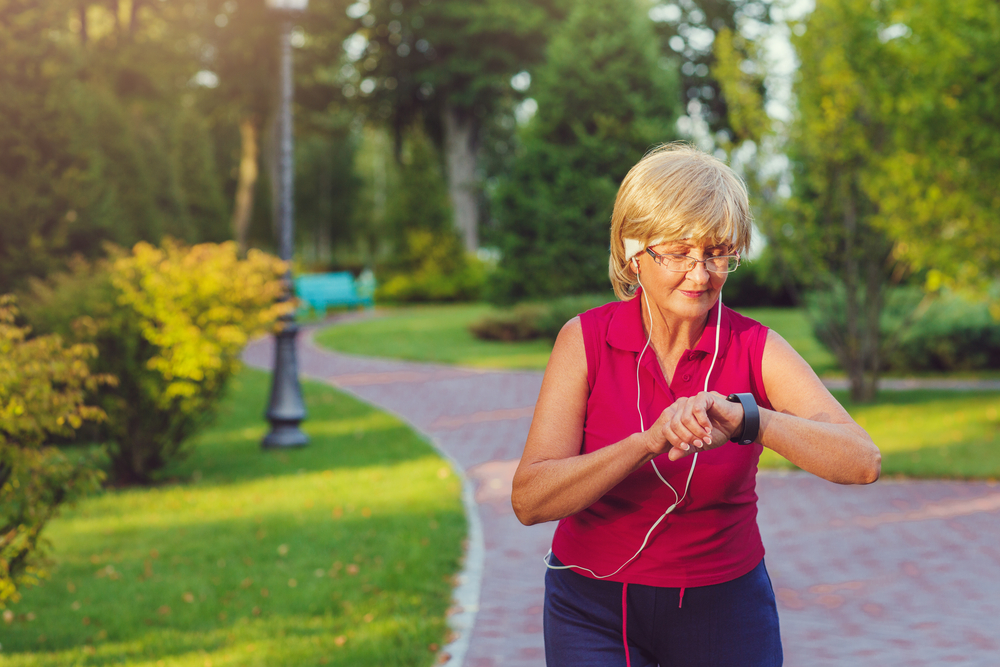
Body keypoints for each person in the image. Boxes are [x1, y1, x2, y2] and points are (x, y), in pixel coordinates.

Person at [511, 143, 881, 667]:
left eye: (716, 252)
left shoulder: (756, 346)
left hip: (724, 607)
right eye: (679, 252)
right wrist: (648, 442)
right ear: (632, 251)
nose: (702, 273)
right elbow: (530, 499)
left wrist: (749, 419)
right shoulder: (585, 340)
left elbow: (863, 461)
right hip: (591, 607)